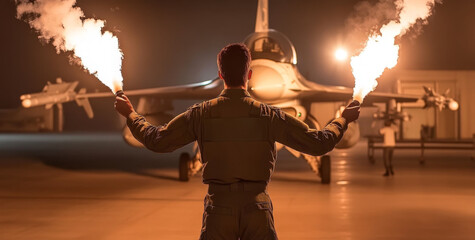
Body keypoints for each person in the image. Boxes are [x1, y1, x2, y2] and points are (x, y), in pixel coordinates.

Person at [114, 43, 360, 240]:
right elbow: (319, 144)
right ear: (249, 74)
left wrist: (131, 115)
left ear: (220, 74)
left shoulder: (200, 114)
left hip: (218, 212)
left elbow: (157, 140)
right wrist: (343, 119)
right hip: (258, 210)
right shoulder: (269, 115)